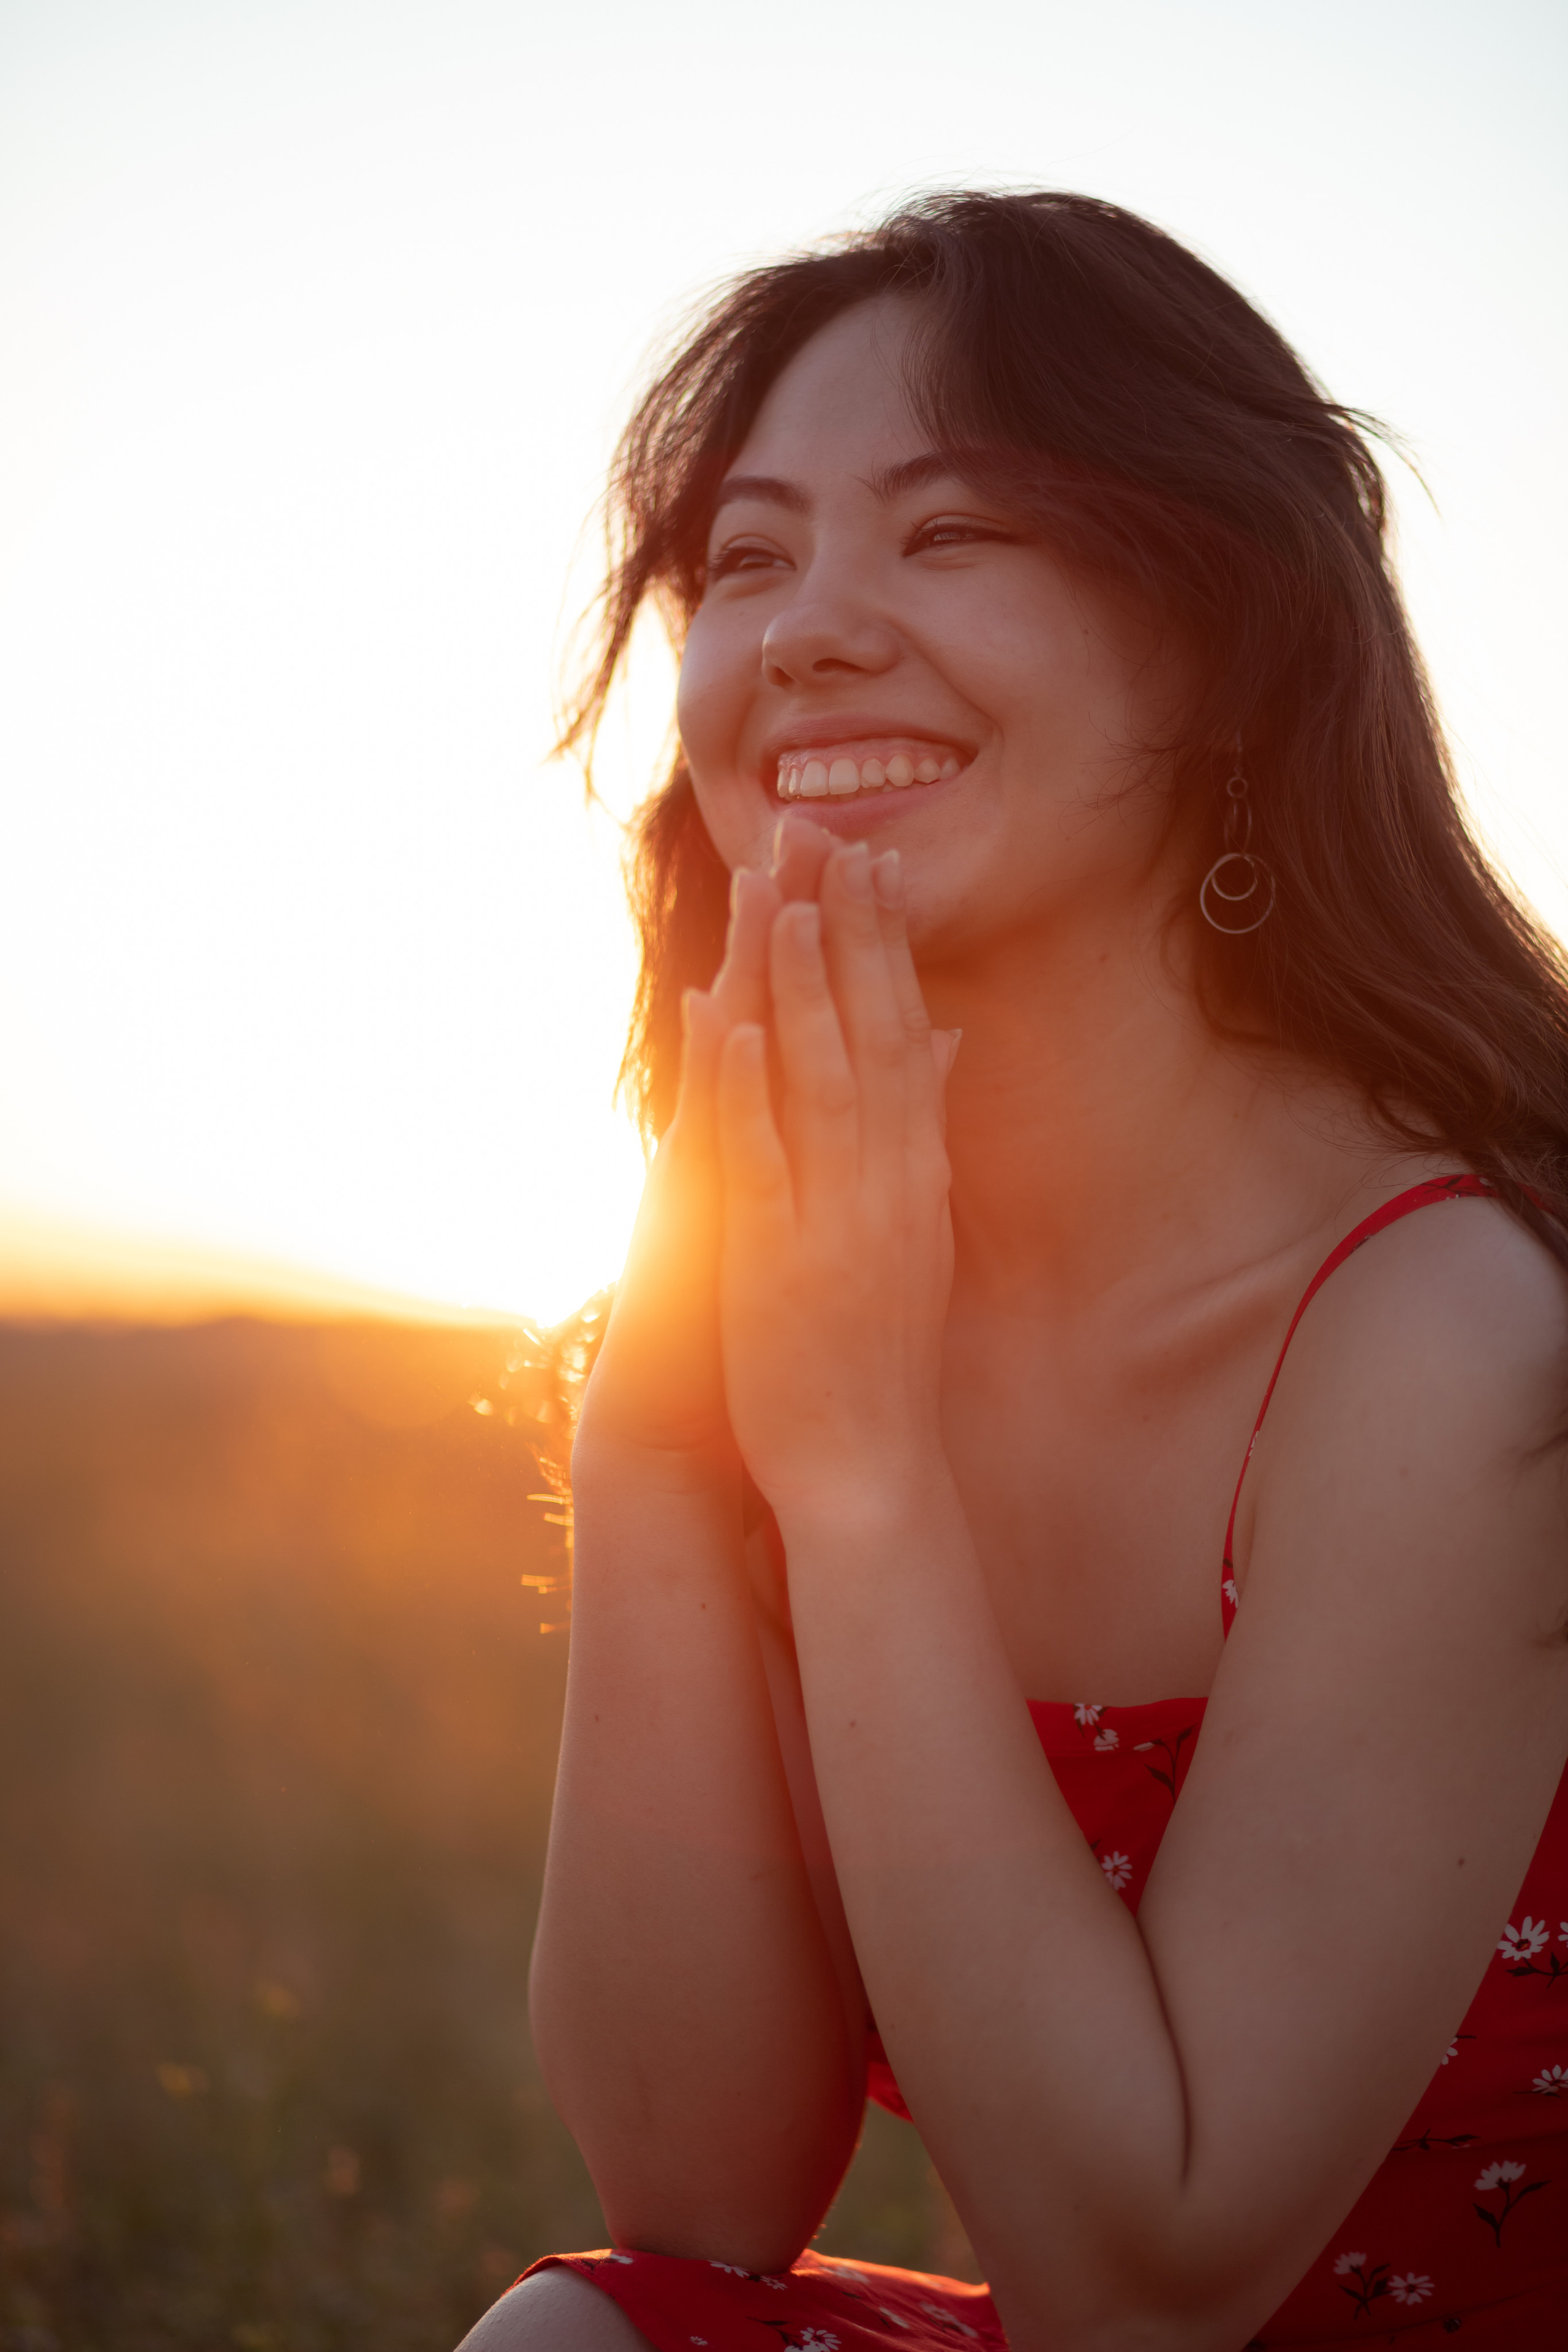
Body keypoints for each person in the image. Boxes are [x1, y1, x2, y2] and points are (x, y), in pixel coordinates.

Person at [461, 192, 1568, 2349]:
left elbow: (1146, 2286)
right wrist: (666, 1432)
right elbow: (694, 2189)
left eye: (951, 535)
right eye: (749, 557)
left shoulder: (1453, 1327)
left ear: (1225, 638)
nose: (806, 633)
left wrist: (863, 1476)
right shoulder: (825, 1289)